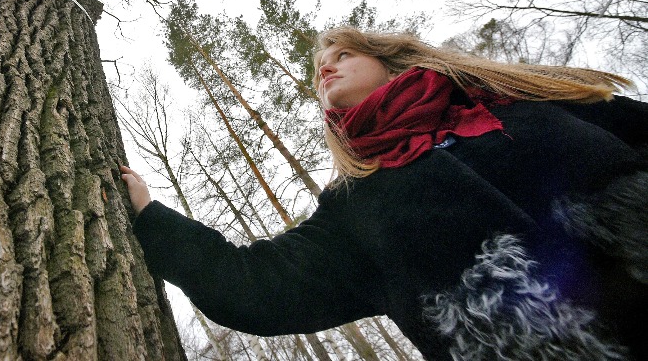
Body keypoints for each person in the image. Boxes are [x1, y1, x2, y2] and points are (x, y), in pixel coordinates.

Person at [121, 27, 648, 360]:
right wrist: (152, 217)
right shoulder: (356, 208)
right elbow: (251, 286)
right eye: (320, 68)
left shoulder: (523, 101)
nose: (325, 68)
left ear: (387, 60)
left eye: (343, 54)